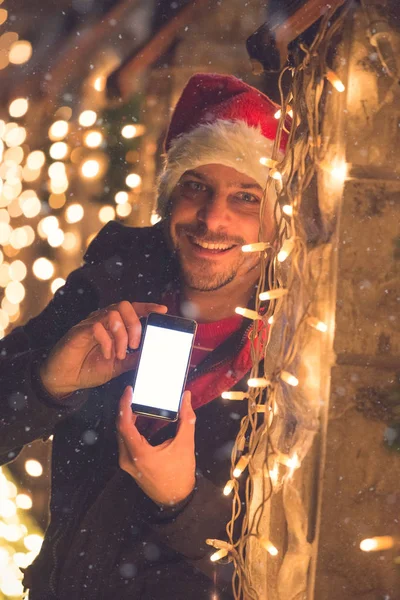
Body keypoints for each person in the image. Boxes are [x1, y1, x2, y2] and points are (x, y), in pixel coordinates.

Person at [0, 73, 287, 599]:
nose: (212, 218)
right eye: (196, 186)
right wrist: (48, 384)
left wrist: (180, 500)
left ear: (277, 219)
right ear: (170, 194)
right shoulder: (110, 288)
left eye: (246, 197)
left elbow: (284, 566)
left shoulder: (294, 348)